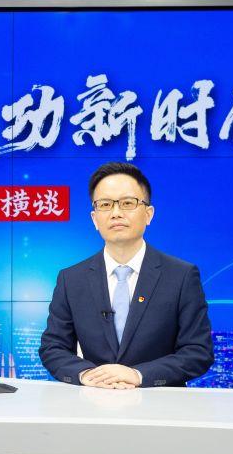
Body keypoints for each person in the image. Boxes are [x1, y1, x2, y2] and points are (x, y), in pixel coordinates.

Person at [39, 162, 213, 389]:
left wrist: (138, 375)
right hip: (93, 401)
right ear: (94, 218)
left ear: (148, 214)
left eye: (128, 203)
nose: (116, 213)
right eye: (105, 205)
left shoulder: (181, 276)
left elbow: (198, 352)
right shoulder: (71, 279)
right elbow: (53, 347)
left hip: (161, 403)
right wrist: (87, 374)